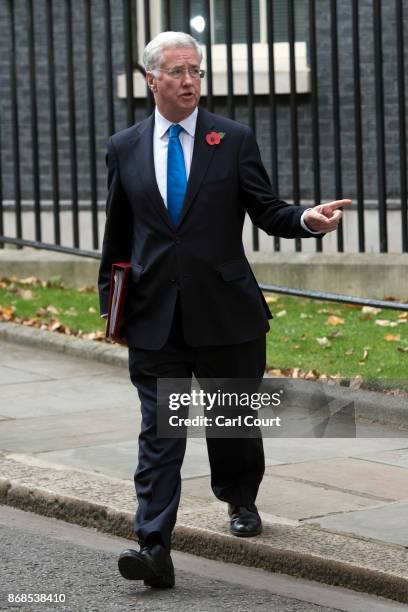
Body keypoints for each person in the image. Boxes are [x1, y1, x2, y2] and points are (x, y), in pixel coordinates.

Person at [98, 31, 351, 589]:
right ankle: (153, 544)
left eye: (196, 71)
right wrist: (110, 309)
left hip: (225, 308)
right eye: (178, 71)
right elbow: (119, 236)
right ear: (151, 80)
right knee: (160, 432)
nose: (189, 81)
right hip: (154, 314)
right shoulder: (125, 146)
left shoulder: (230, 138)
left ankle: (239, 498)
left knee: (229, 420)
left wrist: (308, 220)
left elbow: (266, 210)